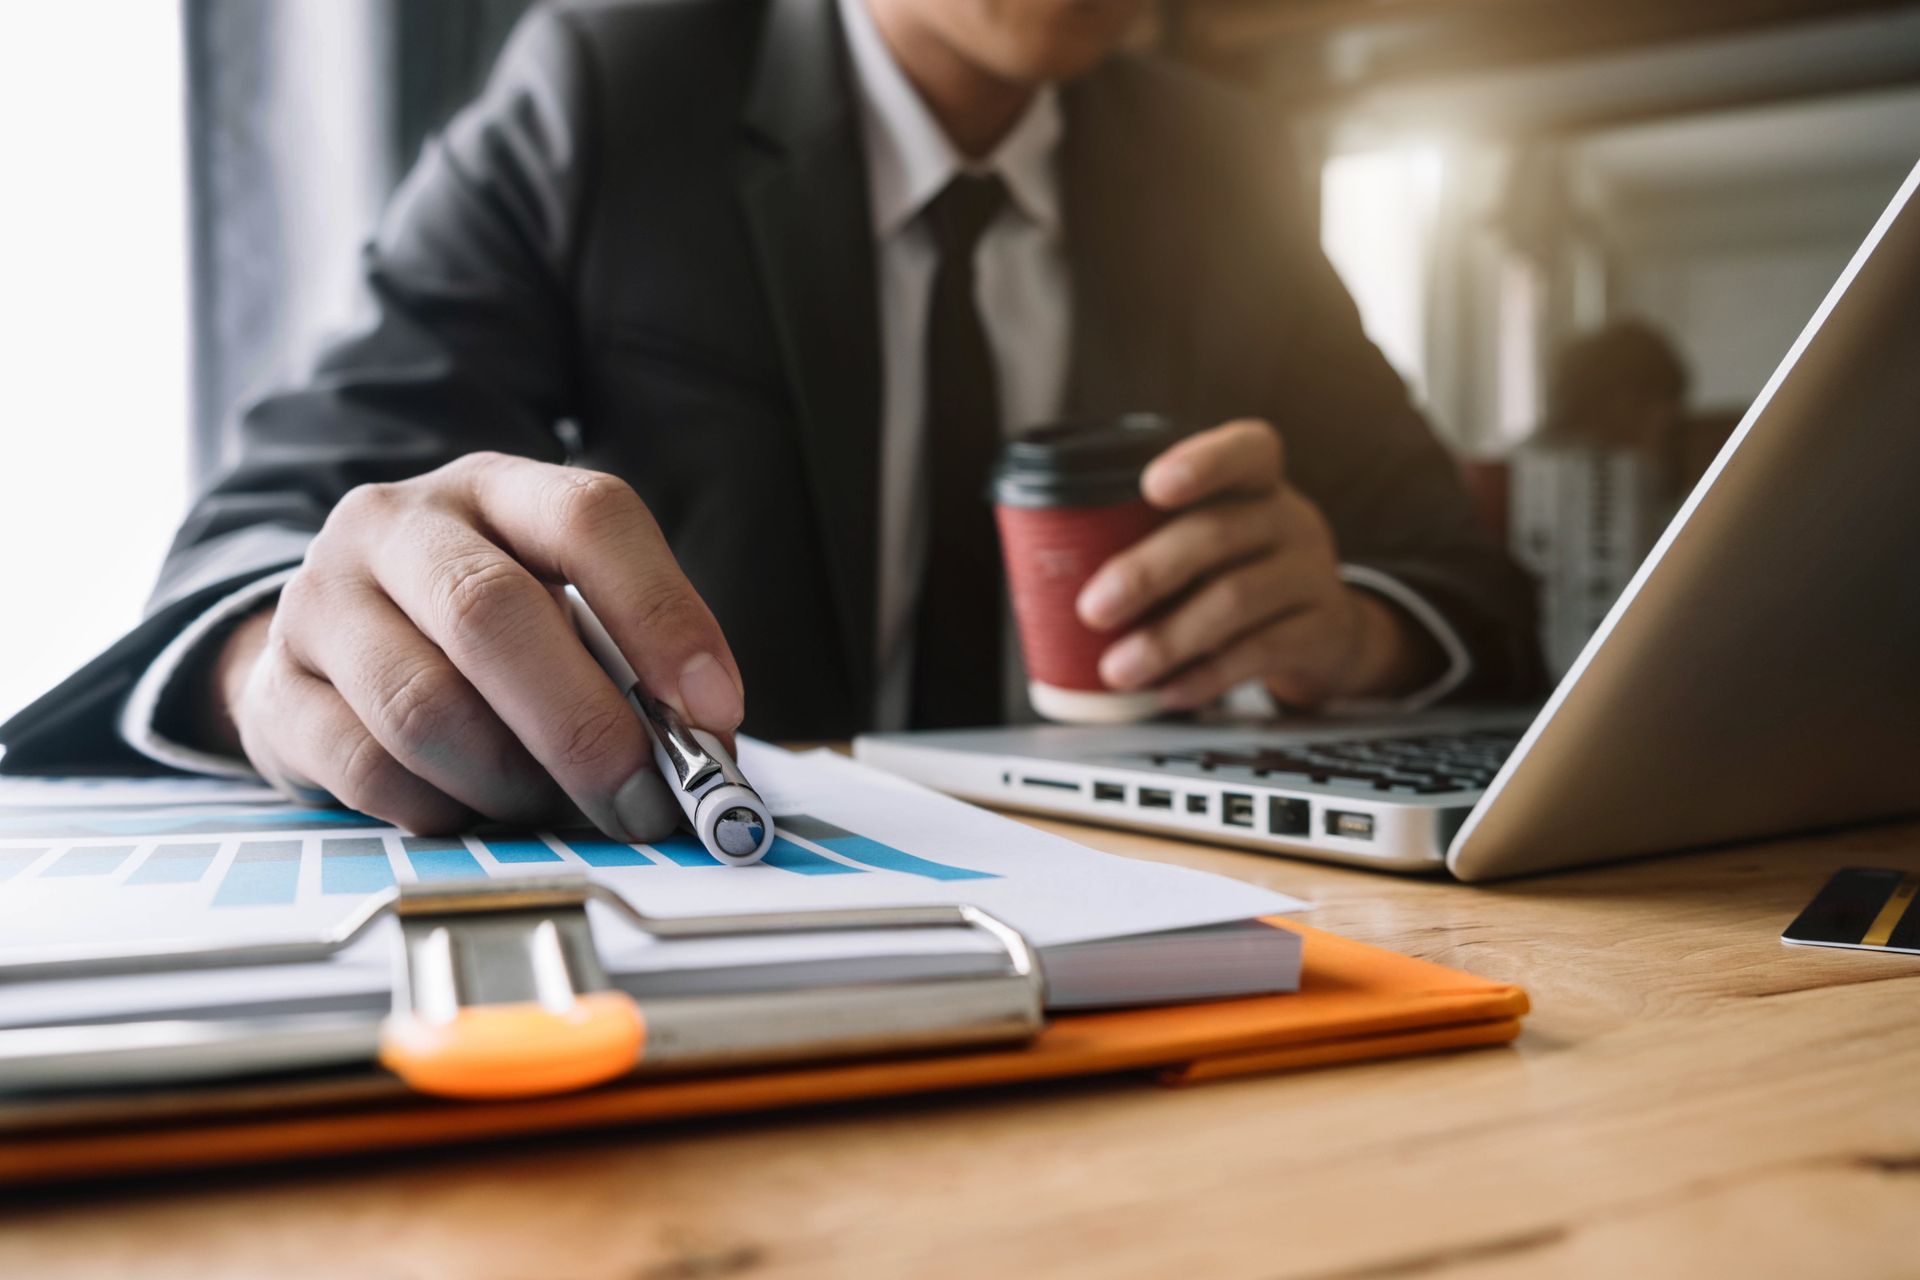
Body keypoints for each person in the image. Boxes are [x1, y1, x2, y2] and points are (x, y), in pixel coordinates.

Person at [0, 0, 1541, 844]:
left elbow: (1463, 584)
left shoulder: (1230, 162)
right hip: (727, 895)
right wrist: (286, 651)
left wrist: (1360, 631)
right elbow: (278, 522)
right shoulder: (615, 79)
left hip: (1154, 901)